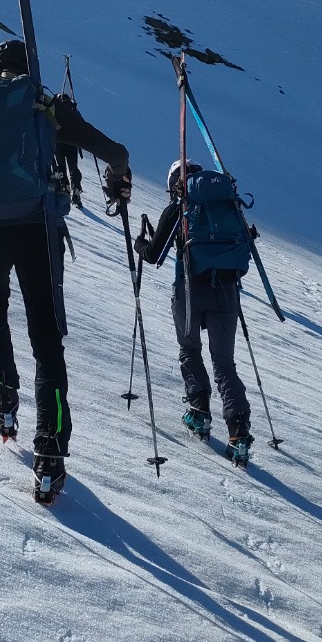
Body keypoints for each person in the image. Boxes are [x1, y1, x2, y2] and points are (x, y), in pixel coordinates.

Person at [0, 40, 130, 502]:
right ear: (27, 68)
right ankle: (50, 449)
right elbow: (114, 152)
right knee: (46, 338)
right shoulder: (43, 102)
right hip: (37, 227)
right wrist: (117, 179)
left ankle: (2, 395)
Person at [135, 159, 253, 465]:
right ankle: (239, 434)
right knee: (224, 363)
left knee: (190, 349)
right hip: (226, 290)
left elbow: (154, 254)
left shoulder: (179, 206)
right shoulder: (227, 204)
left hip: (189, 287)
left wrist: (140, 244)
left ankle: (199, 412)